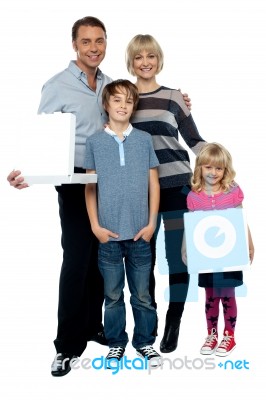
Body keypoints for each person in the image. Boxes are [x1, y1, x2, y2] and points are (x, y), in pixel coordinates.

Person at [6, 17, 191, 376]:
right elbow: (39, 135)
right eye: (86, 41)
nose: (94, 47)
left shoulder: (109, 84)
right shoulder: (56, 85)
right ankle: (66, 345)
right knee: (77, 260)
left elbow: (136, 104)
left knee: (102, 259)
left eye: (100, 41)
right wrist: (25, 170)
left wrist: (178, 102)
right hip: (76, 180)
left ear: (106, 44)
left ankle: (99, 328)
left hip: (115, 182)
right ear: (74, 44)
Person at [125, 34, 206, 353]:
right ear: (130, 62)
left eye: (151, 56)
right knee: (143, 259)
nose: (145, 62)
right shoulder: (123, 98)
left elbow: (194, 141)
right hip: (140, 192)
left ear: (159, 59)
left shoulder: (174, 97)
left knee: (178, 258)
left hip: (177, 188)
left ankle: (174, 321)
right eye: (138, 57)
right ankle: (150, 321)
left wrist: (219, 160)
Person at [84, 79, 161, 366]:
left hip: (141, 234)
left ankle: (145, 342)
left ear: (134, 105)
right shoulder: (94, 142)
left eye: (128, 100)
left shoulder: (143, 140)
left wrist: (152, 223)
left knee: (142, 295)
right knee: (112, 296)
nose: (123, 105)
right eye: (116, 100)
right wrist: (95, 226)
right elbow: (90, 187)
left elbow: (153, 184)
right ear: (106, 105)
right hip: (109, 236)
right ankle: (116, 342)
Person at [184, 142, 254, 356]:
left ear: (225, 170)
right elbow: (191, 227)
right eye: (208, 167)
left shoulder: (232, 191)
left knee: (227, 293)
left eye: (218, 168)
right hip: (206, 256)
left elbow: (241, 220)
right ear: (200, 168)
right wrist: (186, 250)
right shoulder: (194, 196)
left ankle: (229, 336)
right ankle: (211, 334)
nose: (213, 172)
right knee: (211, 295)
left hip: (230, 254)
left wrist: (249, 243)